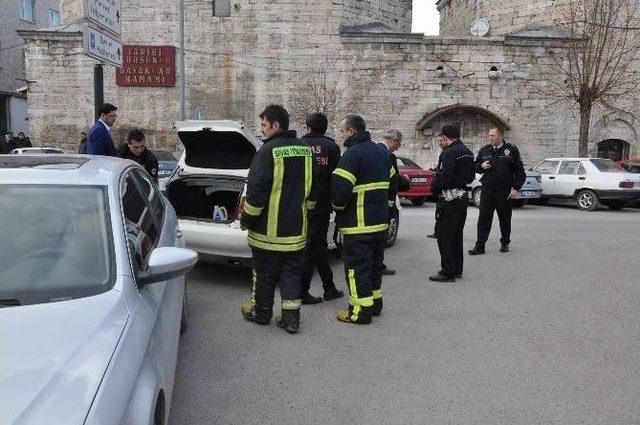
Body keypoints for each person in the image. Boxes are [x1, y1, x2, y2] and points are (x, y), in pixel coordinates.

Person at [239, 105, 316, 334]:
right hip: (295, 233)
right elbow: (312, 191)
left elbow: (256, 194)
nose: (262, 130)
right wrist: (305, 215)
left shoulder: (266, 151)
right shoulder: (305, 149)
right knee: (291, 275)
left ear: (276, 125)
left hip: (267, 235)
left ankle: (261, 313)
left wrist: (247, 221)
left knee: (263, 275)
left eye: (264, 125)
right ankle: (291, 320)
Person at [331, 115, 397, 324]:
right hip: (379, 224)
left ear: (351, 131)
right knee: (374, 266)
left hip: (358, 225)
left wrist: (338, 209)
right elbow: (394, 183)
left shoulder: (352, 155)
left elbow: (339, 193)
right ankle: (375, 305)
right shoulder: (381, 152)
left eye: (343, 131)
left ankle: (359, 312)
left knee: (356, 269)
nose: (342, 135)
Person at [299, 112, 344, 304]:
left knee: (318, 246)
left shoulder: (298, 145)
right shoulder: (331, 146)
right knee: (313, 247)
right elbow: (337, 177)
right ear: (325, 128)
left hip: (300, 204)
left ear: (308, 127)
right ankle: (302, 291)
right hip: (322, 205)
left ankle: (329, 288)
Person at [469, 127, 526, 255]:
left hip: (504, 190)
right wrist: (481, 167)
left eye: (493, 136)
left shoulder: (511, 150)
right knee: (484, 218)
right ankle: (480, 246)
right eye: (489, 136)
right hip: (487, 189)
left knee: (504, 218)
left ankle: (505, 242)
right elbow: (475, 167)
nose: (490, 138)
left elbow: (520, 172)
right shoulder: (485, 150)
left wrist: (516, 188)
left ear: (500, 136)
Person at [430, 124, 475, 282]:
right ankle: (457, 269)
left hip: (449, 198)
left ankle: (447, 271)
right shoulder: (468, 152)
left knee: (445, 236)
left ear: (446, 135)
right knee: (457, 234)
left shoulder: (449, 153)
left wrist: (434, 185)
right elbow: (471, 176)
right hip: (462, 197)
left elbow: (444, 177)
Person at [377, 129, 410, 275]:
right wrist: (405, 180)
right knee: (379, 237)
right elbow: (393, 181)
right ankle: (378, 266)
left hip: (370, 202)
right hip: (384, 202)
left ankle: (375, 265)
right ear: (393, 140)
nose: (398, 147)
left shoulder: (373, 150)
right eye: (399, 143)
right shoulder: (388, 156)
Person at [427, 134, 449, 239]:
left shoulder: (449, 152)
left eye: (442, 140)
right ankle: (437, 232)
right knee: (439, 210)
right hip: (440, 187)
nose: (440, 143)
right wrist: (434, 170)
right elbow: (440, 167)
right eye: (438, 141)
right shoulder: (443, 152)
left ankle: (444, 232)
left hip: (447, 188)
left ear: (447, 140)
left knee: (445, 211)